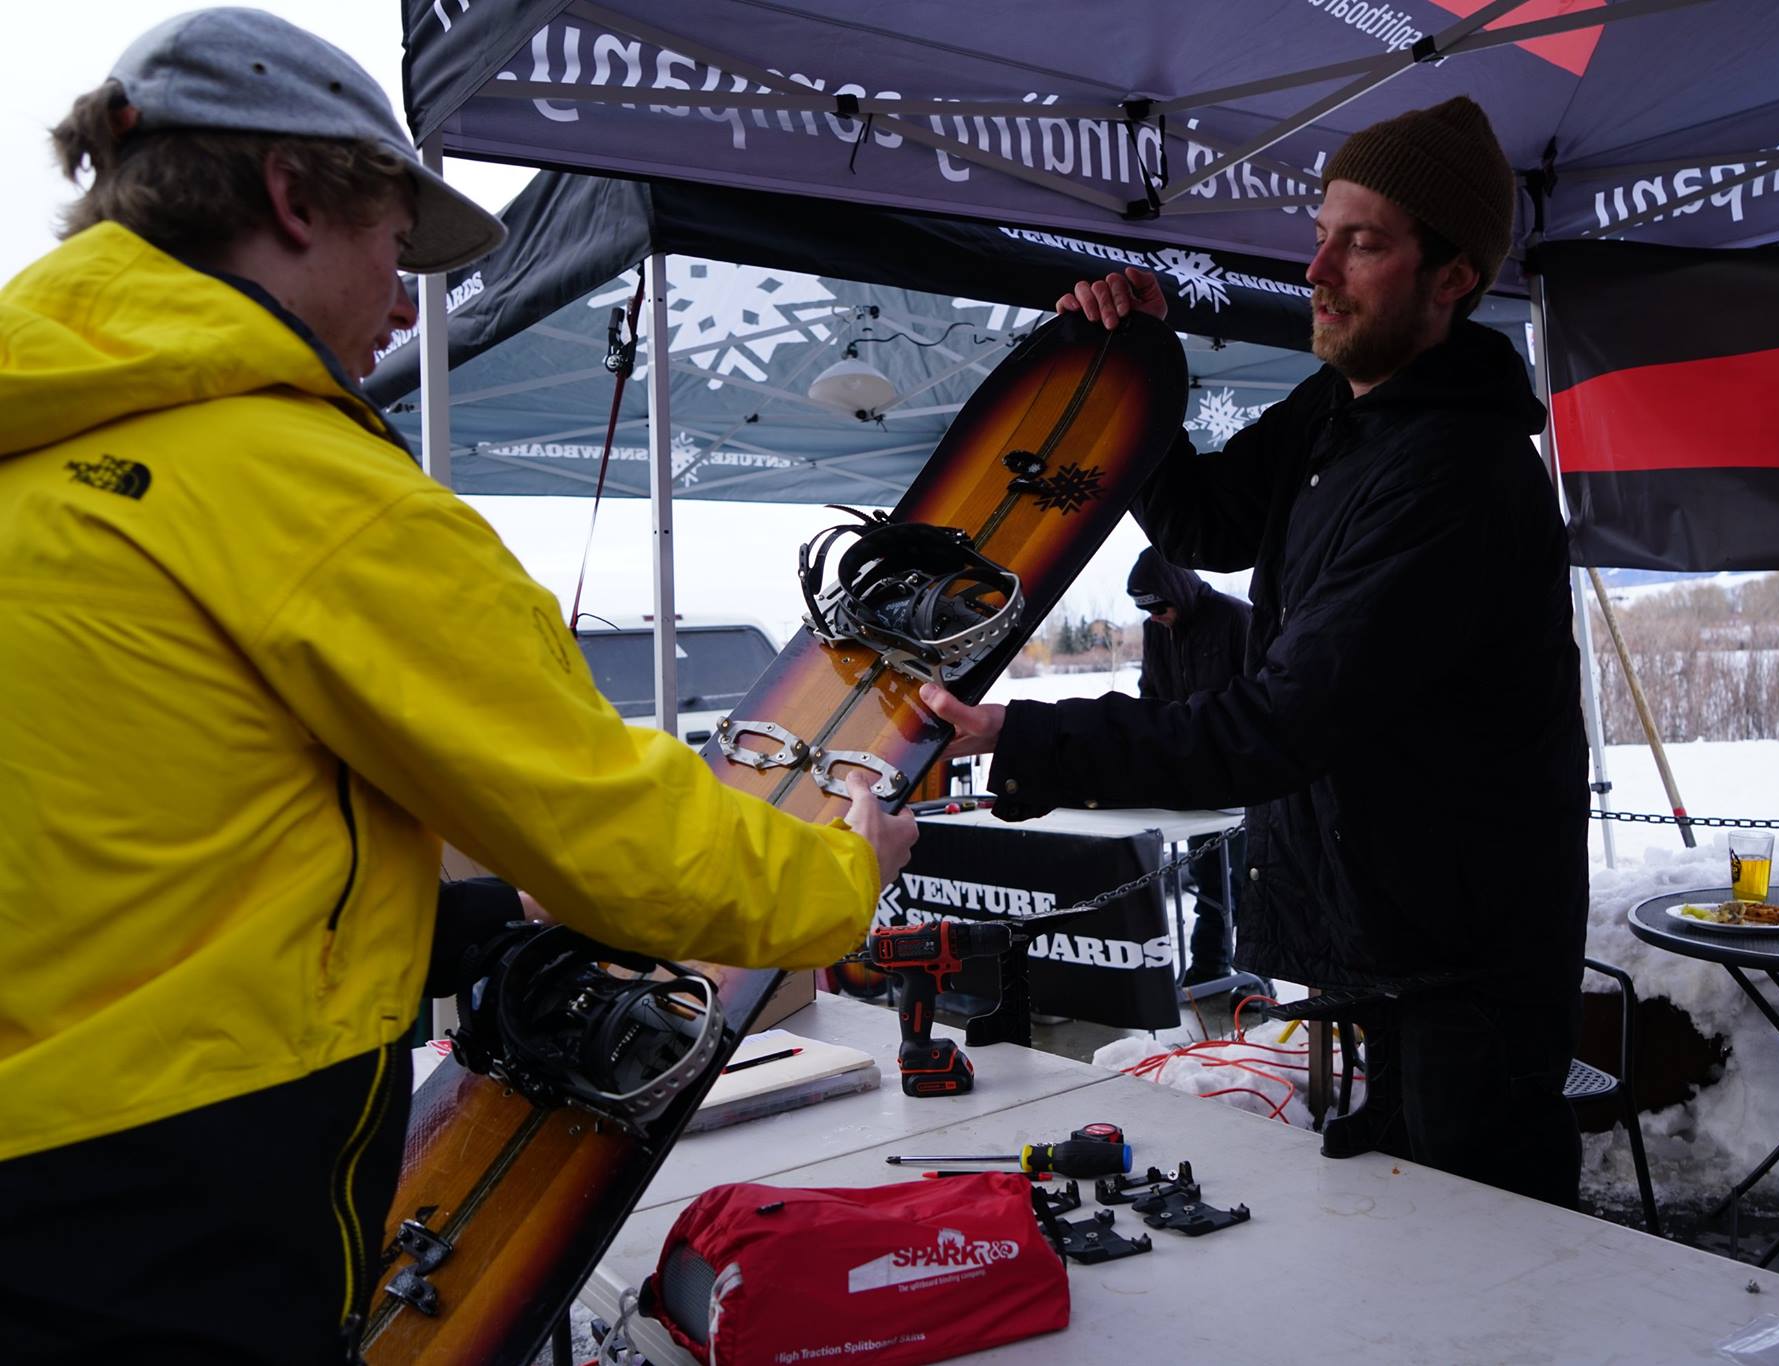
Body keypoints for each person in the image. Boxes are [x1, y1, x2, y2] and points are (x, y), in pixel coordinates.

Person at [0, 11, 913, 1361]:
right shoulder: (303, 487)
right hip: (177, 1209)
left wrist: (477, 919)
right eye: (393, 244)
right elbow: (623, 837)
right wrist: (841, 873)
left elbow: (136, 856)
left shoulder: (41, 451)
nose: (403, 301)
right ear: (292, 197)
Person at [925, 97, 1590, 1207]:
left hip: (1468, 964)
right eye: (1320, 234)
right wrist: (1136, 369)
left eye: (1362, 243)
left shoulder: (1457, 475)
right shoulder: (1336, 410)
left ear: (1452, 277)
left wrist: (1020, 732)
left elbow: (1275, 724)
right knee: (1398, 1235)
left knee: (1493, 1251)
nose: (1316, 270)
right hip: (1379, 931)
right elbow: (1204, 524)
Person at [1126, 547, 1253, 988]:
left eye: (1160, 607)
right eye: (1146, 610)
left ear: (1177, 591)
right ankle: (1209, 966)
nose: (1156, 617)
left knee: (1247, 878)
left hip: (1243, 772)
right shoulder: (1155, 630)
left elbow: (1258, 691)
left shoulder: (1235, 616)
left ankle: (1254, 976)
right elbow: (1150, 693)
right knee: (1208, 876)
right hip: (1192, 776)